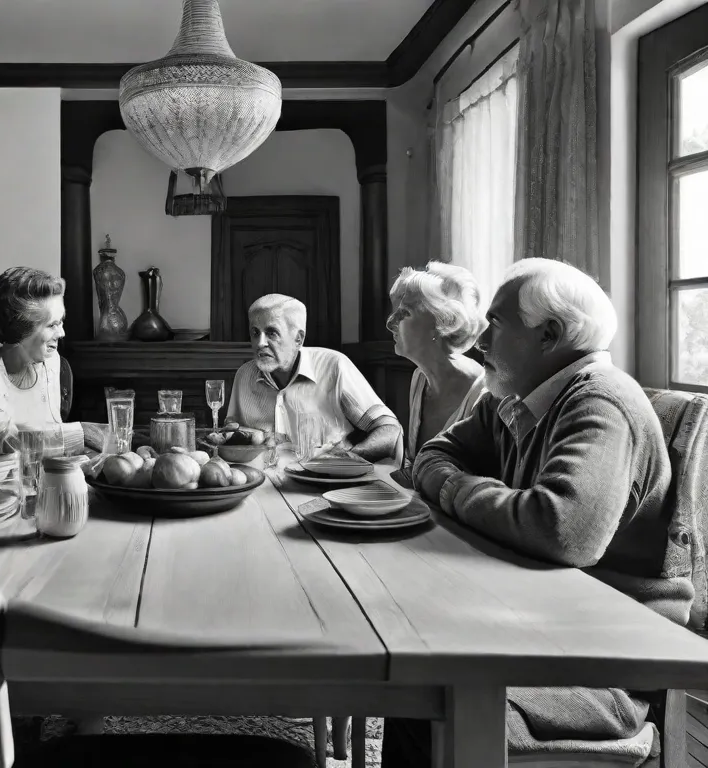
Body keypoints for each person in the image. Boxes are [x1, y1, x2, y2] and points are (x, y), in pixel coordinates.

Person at [382, 258, 682, 766]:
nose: (478, 341)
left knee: (425, 700)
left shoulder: (600, 403)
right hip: (540, 622)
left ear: (551, 335)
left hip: (604, 661)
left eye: (495, 324)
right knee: (414, 668)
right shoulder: (513, 398)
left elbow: (561, 530)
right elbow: (433, 454)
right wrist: (467, 487)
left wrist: (455, 488)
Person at [0, 267, 107, 460]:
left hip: (34, 480)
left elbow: (53, 440)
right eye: (52, 325)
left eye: (61, 322)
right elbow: (2, 439)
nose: (62, 333)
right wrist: (81, 432)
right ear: (21, 329)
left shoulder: (52, 361)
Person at [226, 294, 402, 462]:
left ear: (298, 339)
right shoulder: (244, 375)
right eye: (255, 333)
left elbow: (390, 430)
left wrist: (349, 460)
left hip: (327, 485)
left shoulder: (334, 366)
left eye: (271, 333)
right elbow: (231, 437)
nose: (260, 343)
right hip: (263, 484)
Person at [386, 261, 486, 486]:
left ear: (442, 321)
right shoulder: (420, 378)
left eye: (404, 313)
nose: (391, 323)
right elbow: (414, 468)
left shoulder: (483, 394)